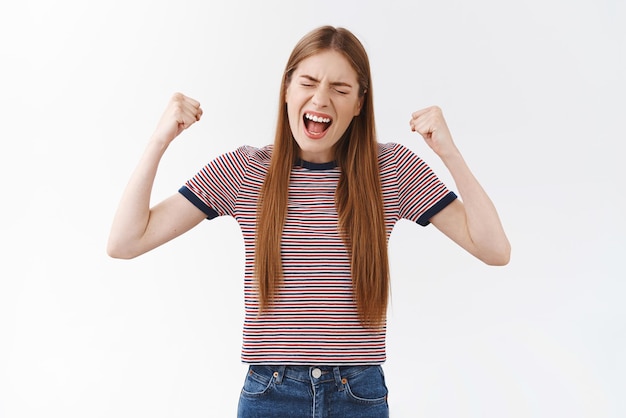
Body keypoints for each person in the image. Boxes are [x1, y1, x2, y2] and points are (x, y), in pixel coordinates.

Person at [107, 25, 510, 418]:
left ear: (359, 103)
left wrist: (450, 153)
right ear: (286, 89)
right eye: (309, 82)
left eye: (340, 89)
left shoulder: (391, 170)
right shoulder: (247, 170)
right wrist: (159, 140)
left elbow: (494, 250)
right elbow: (125, 242)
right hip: (270, 392)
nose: (321, 99)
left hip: (358, 394)